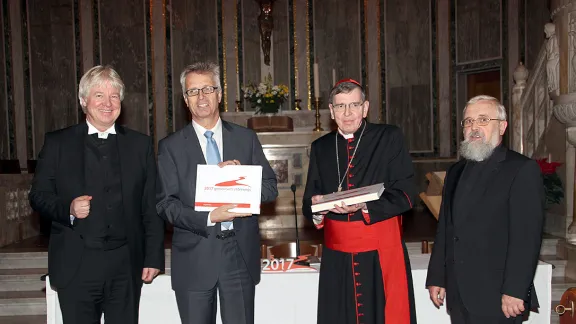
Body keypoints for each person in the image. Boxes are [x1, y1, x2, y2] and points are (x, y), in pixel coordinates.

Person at [28, 65, 165, 323]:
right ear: (83, 101)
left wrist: (153, 256)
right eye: (99, 95)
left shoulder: (140, 145)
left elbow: (151, 205)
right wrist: (67, 208)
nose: (107, 103)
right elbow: (38, 195)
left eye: (114, 96)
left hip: (125, 265)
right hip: (77, 265)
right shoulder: (58, 143)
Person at [156, 61, 278, 324]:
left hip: (239, 255)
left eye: (208, 89)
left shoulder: (246, 139)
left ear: (220, 94)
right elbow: (166, 204)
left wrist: (241, 180)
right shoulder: (170, 147)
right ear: (185, 100)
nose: (201, 97)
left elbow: (270, 187)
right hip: (194, 257)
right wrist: (209, 216)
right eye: (193, 91)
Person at [302, 79, 417, 324]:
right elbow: (308, 201)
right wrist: (317, 209)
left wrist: (366, 205)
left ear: (365, 108)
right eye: (340, 106)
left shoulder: (389, 137)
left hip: (380, 251)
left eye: (354, 105)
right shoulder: (321, 147)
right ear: (331, 111)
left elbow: (407, 194)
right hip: (337, 258)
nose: (347, 113)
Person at [426, 95, 544, 324]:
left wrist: (515, 290)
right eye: (468, 122)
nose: (474, 127)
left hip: (500, 295)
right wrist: (437, 276)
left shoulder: (521, 169)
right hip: (460, 293)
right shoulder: (455, 172)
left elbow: (526, 237)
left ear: (502, 126)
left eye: (482, 120)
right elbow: (446, 230)